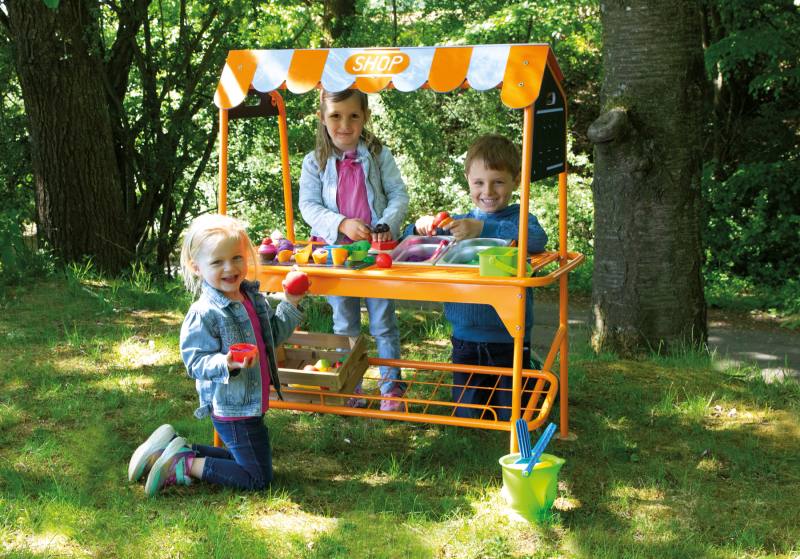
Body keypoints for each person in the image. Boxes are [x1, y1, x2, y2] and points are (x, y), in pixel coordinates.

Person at [127, 214, 305, 496]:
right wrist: (226, 363)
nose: (229, 268)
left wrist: (291, 302)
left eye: (236, 258)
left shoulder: (251, 298)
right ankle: (184, 464)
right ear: (196, 267)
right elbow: (195, 361)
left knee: (243, 461)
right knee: (257, 477)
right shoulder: (205, 312)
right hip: (232, 407)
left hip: (249, 403)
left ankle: (171, 449)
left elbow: (271, 334)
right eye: (217, 262)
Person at [404, 134, 548, 420]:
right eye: (479, 182)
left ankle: (533, 376)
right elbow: (410, 238)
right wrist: (418, 227)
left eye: (498, 182)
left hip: (509, 335)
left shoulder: (519, 218)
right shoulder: (458, 222)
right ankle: (520, 383)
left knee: (511, 414)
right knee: (468, 415)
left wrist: (482, 229)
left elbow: (536, 239)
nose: (488, 191)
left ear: (516, 180)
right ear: (468, 180)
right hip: (465, 335)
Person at [298, 89, 409, 411]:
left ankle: (391, 388)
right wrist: (342, 223)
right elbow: (308, 205)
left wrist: (385, 224)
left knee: (383, 323)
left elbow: (398, 194)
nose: (344, 125)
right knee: (344, 324)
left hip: (376, 253)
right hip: (337, 255)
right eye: (335, 116)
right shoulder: (314, 162)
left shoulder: (378, 155)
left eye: (353, 116)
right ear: (322, 118)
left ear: (365, 117)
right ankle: (350, 385)